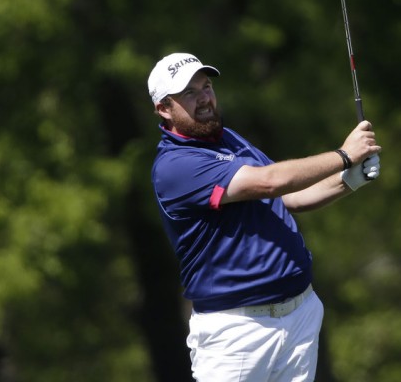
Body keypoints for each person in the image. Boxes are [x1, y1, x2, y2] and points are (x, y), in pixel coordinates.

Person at [147, 52, 381, 382]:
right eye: (189, 93)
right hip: (237, 333)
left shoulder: (230, 140)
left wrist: (350, 179)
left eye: (206, 86)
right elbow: (269, 182)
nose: (204, 98)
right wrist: (343, 156)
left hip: (299, 316)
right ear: (164, 109)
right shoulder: (175, 165)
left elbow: (289, 198)